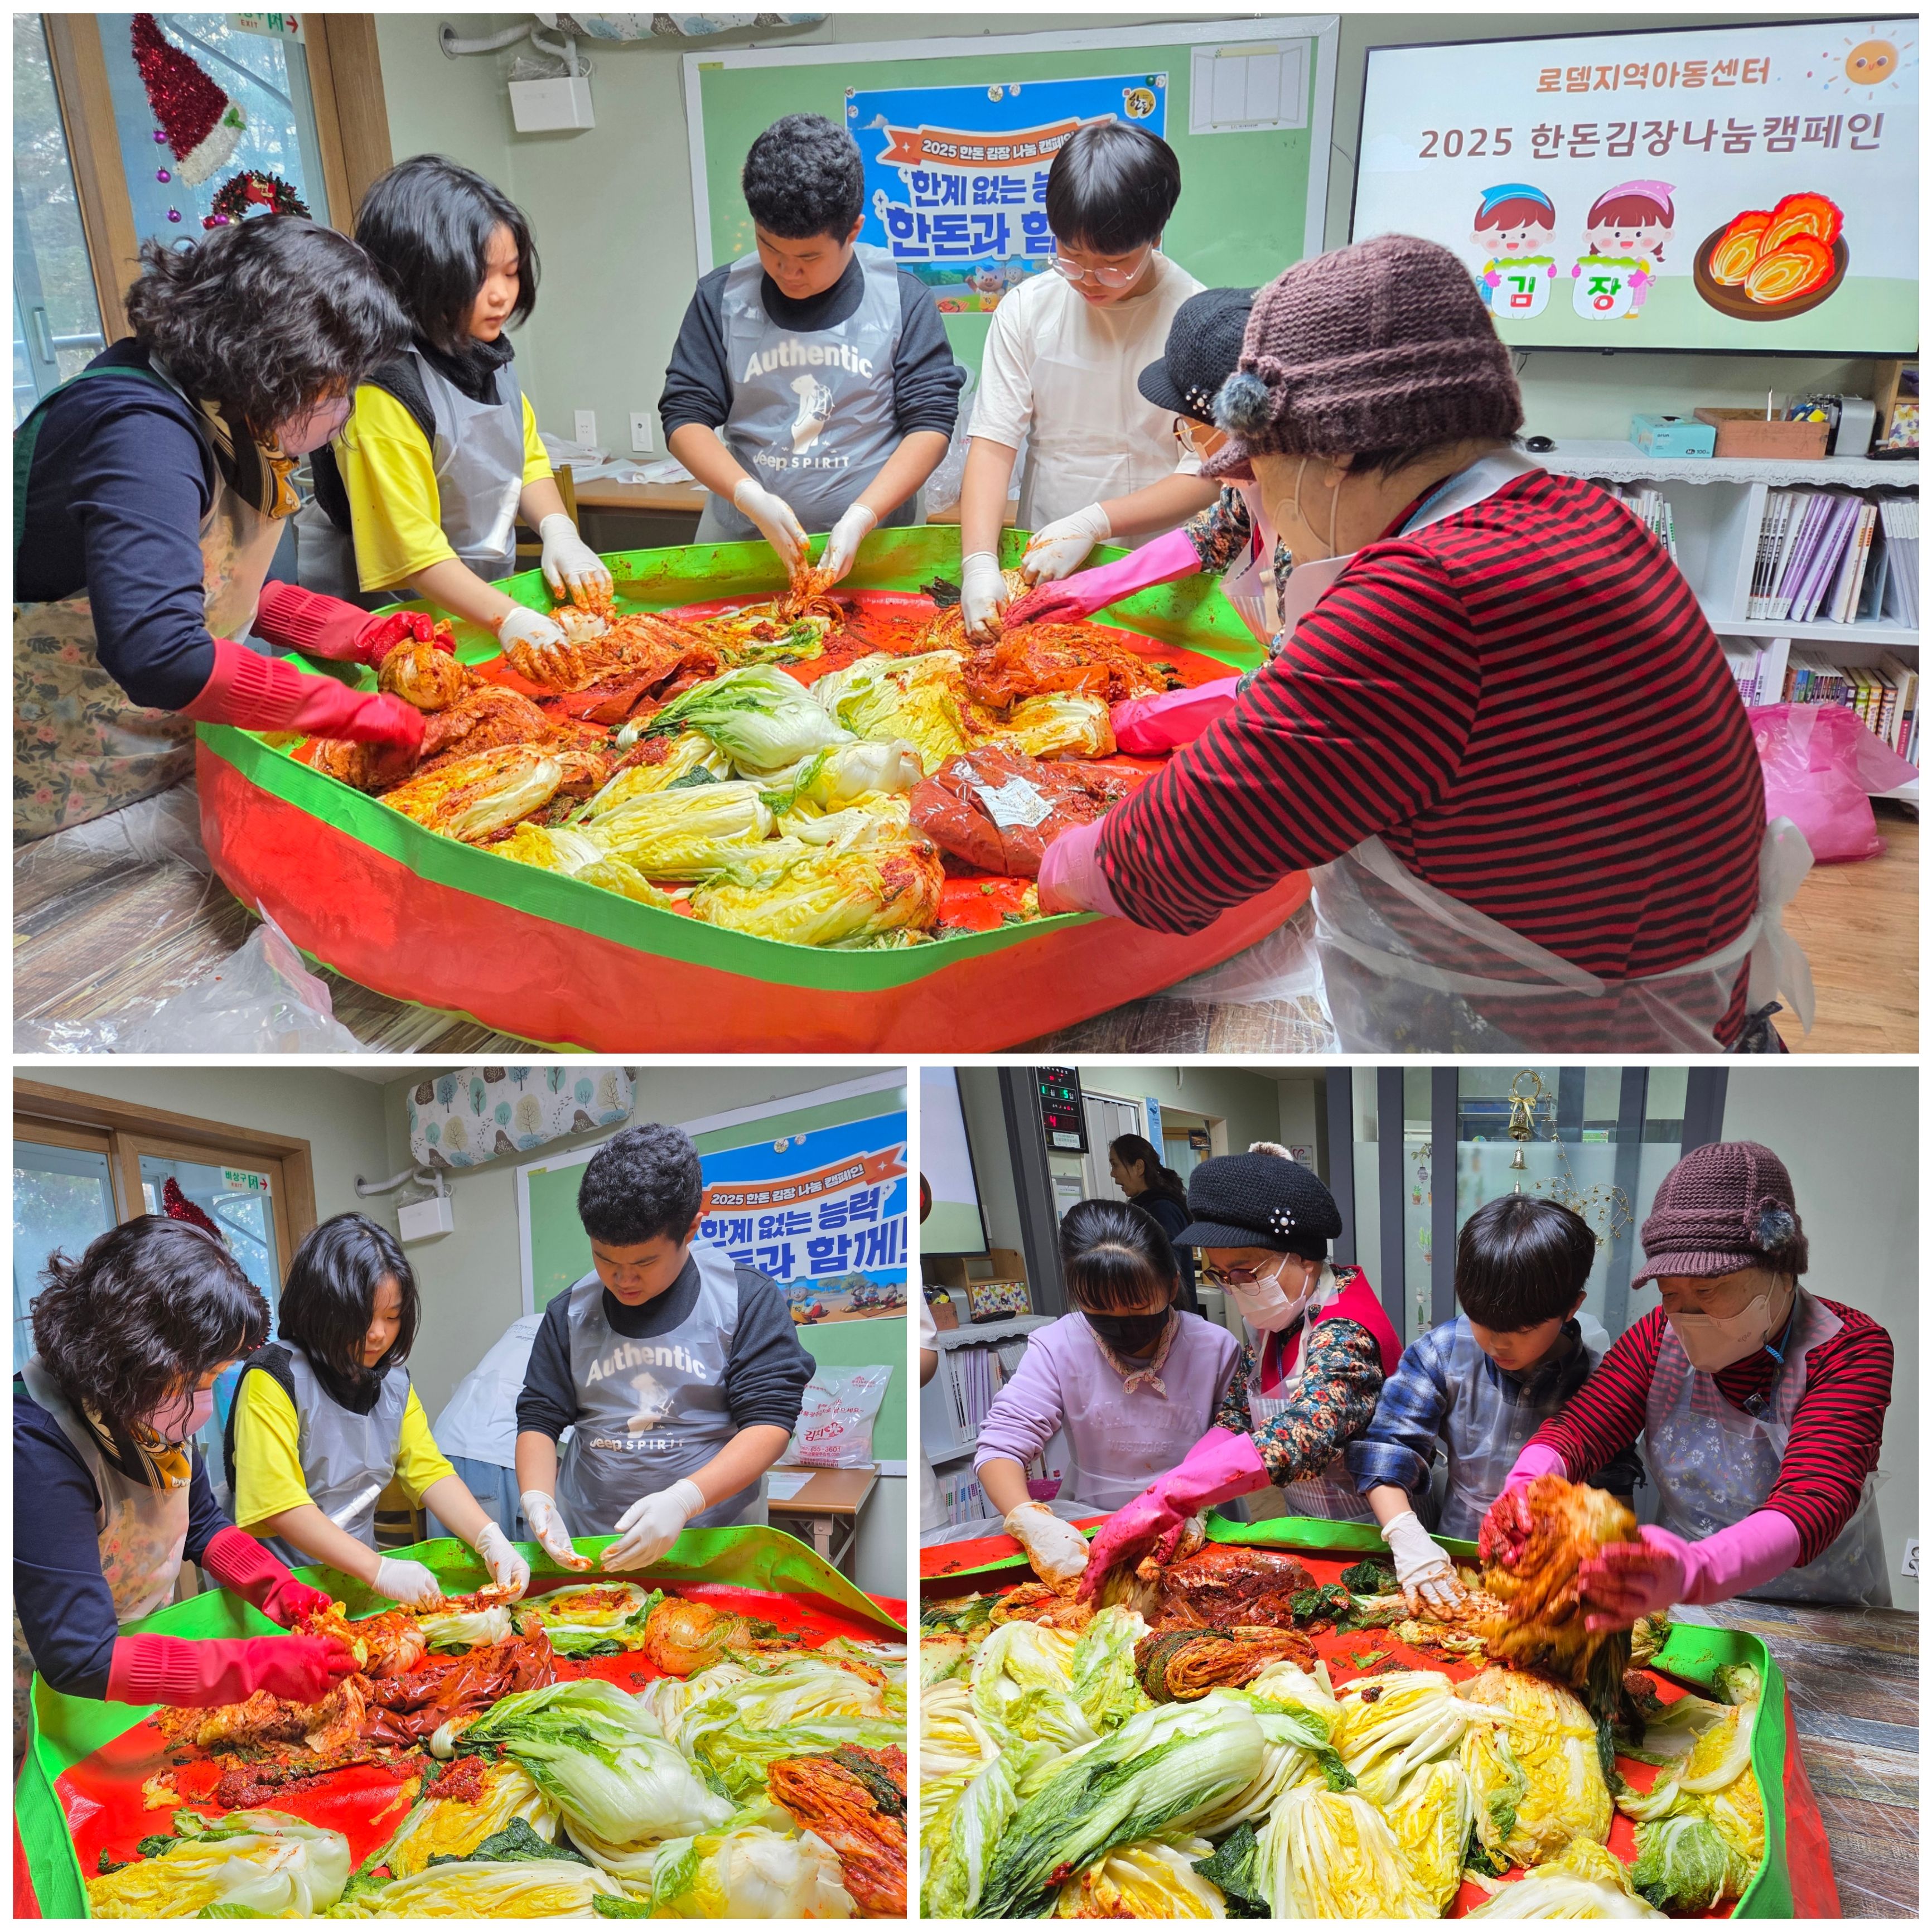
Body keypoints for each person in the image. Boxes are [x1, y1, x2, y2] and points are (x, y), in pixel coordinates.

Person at [1037, 234, 1807, 1055]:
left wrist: (1050, 860)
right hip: (1696, 1014)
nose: (1256, 491)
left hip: (1567, 1045)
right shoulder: (1580, 514)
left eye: (1259, 463)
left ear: (1333, 451)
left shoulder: (1425, 595)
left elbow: (1174, 855)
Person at [14, 217, 430, 842]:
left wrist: (355, 632)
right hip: (65, 788)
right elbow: (161, 652)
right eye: (338, 385)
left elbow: (216, 584)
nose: (343, 407)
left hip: (153, 759)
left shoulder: (220, 410)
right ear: (280, 363)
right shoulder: (141, 433)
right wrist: (344, 709)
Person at [1482, 1141, 1894, 1615]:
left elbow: (1814, 1496)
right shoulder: (1657, 1339)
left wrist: (1699, 1568)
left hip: (1821, 1610)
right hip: (1683, 1600)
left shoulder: (1849, 1349)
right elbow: (1581, 1428)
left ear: (1780, 1268)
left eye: (1708, 1289)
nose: (1687, 1314)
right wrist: (1527, 1486)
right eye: (1670, 1292)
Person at [15, 1219, 356, 1731]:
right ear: (136, 1358)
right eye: (200, 1380)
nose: (205, 1401)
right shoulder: (33, 1447)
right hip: (41, 1683)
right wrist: (254, 1666)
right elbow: (79, 1654)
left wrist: (277, 1588)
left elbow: (201, 1522)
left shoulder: (149, 1407)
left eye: (215, 1377)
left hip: (136, 1663)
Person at [296, 156, 609, 670]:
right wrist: (510, 617)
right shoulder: (381, 391)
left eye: (511, 272)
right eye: (478, 278)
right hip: (385, 621)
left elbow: (526, 458)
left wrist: (559, 530)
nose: (502, 294)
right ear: (418, 277)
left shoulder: (482, 354)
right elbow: (414, 554)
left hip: (475, 604)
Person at [1081, 1148, 1400, 1594]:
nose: (1234, 1288)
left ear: (1304, 1257)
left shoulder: (1346, 1329)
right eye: (1221, 1275)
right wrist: (1182, 1488)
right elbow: (1236, 1415)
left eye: (1245, 1271)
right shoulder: (1279, 1320)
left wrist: (1176, 1495)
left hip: (1374, 1536)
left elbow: (1306, 1433)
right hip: (1313, 1532)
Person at [661, 114, 963, 583]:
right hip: (747, 548)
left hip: (875, 551)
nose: (787, 271)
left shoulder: (902, 299)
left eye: (808, 257)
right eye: (769, 247)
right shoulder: (722, 298)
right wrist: (747, 495)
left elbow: (931, 423)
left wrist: (863, 514)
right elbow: (685, 415)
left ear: (853, 231)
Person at [514, 1123, 816, 1569]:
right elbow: (539, 1417)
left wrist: (684, 1499)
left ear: (691, 1229)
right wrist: (539, 1498)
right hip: (593, 1545)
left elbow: (770, 1422)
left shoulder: (743, 1298)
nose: (622, 1279)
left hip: (711, 1545)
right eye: (604, 1258)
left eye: (645, 1262)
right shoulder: (570, 1312)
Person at [956, 121, 1216, 640]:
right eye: (1071, 258)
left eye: (1114, 264)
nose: (1089, 281)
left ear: (1156, 235)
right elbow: (993, 443)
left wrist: (1096, 521)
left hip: (1158, 570)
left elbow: (1208, 472)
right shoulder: (1028, 309)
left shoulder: (1198, 320)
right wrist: (979, 562)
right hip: (1047, 560)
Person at [1349, 1194, 1640, 1614]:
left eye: (1522, 1330)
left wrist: (1617, 1567)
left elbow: (1614, 1488)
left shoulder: (1599, 1378)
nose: (1498, 1344)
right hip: (1454, 1552)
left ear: (1572, 1307)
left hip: (1555, 1570)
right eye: (1481, 1321)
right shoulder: (1443, 1352)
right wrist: (1404, 1533)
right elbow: (1388, 1448)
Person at [225, 1214, 528, 1609]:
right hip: (281, 1591)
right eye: (362, 1317)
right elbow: (280, 1504)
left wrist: (491, 1539)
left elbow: (429, 1471)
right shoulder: (274, 1376)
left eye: (392, 1317)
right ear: (320, 1307)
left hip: (357, 1585)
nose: (378, 1334)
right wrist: (379, 1569)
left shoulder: (394, 1381)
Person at [975, 1199, 1242, 1591]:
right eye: (1099, 1308)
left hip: (1194, 1519)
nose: (1121, 1323)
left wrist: (1189, 1504)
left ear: (1171, 1285)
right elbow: (1001, 1445)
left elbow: (1233, 1438)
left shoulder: (1214, 1347)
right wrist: (1031, 1523)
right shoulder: (1058, 1346)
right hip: (1090, 1523)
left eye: (1138, 1306)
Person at [427, 1310, 544, 1541]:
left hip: (445, 1442)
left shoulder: (529, 1322)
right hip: (492, 1454)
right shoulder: (579, 1331)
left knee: (451, 1553)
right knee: (500, 1553)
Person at [1107, 1132, 1200, 1312]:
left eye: (1115, 1164)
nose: (1113, 1174)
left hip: (1168, 1315)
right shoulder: (1145, 1207)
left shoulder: (1162, 1209)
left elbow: (1167, 1271)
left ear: (1139, 1167)